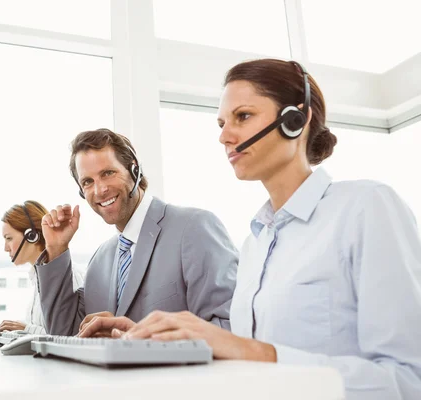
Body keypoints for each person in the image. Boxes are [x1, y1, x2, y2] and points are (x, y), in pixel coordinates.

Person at [81, 59, 421, 399]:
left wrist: (252, 352)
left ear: (296, 120)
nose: (224, 136)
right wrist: (155, 341)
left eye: (243, 116)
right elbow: (244, 365)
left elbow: (409, 379)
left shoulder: (365, 207)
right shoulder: (256, 243)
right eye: (221, 123)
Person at [36, 128, 239, 336]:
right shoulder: (100, 260)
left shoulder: (194, 228)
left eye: (108, 173)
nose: (99, 190)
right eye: (88, 182)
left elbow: (230, 330)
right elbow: (63, 335)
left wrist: (143, 340)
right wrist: (56, 249)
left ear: (134, 171)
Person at [0, 200, 83, 337]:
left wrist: (27, 329)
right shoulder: (37, 277)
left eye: (9, 238)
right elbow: (26, 327)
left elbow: (68, 335)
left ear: (32, 236)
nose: (5, 248)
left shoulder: (69, 276)